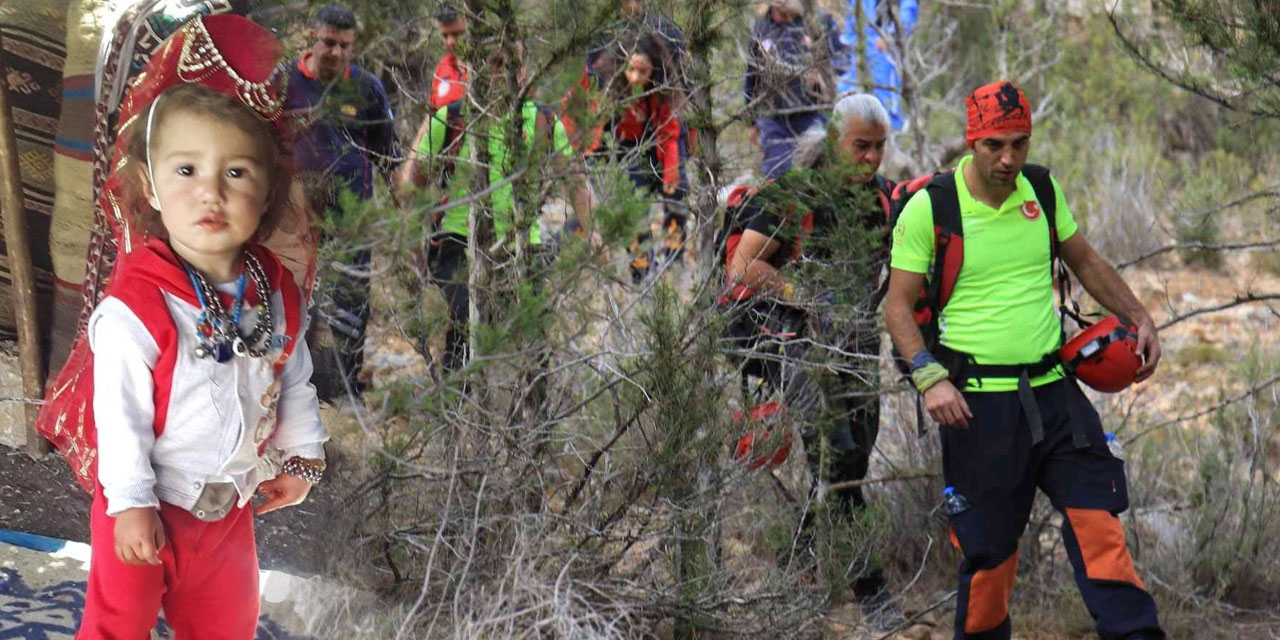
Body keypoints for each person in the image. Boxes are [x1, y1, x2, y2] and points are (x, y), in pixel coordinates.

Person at [68, 15, 328, 638]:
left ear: (269, 192)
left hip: (227, 508)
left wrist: (304, 456)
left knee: (226, 624)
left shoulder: (275, 291)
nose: (210, 192)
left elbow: (292, 377)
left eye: (236, 173)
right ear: (150, 186)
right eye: (186, 171)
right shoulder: (137, 304)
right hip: (146, 500)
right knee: (117, 627)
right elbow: (120, 413)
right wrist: (129, 502)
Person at [883, 81, 1165, 639]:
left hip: (1055, 394)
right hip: (976, 406)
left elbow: (1084, 259)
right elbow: (897, 304)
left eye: (1019, 143)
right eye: (994, 145)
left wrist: (1140, 316)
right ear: (972, 142)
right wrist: (928, 377)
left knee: (1099, 526)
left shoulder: (1041, 188)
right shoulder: (932, 208)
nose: (1009, 157)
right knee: (990, 554)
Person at [725, 94, 900, 627]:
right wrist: (803, 294)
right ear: (833, 141)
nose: (870, 158)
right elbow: (743, 267)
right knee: (836, 456)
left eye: (879, 148)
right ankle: (869, 588)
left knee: (854, 462)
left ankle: (797, 560)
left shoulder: (886, 200)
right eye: (860, 146)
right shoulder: (792, 196)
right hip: (795, 343)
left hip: (859, 345)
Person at [397, 41, 594, 371]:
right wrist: (409, 242)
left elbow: (574, 178)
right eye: (492, 63)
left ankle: (530, 410)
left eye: (508, 64)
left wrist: (591, 230)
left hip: (522, 242)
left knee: (533, 333)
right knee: (464, 319)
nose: (499, 72)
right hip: (455, 240)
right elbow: (413, 182)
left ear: (524, 71)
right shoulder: (452, 118)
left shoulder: (543, 120)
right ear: (473, 69)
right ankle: (459, 407)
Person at [285, 3, 400, 399]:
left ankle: (346, 388)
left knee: (351, 302)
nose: (336, 52)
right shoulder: (283, 83)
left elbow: (389, 158)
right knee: (294, 300)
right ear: (311, 40)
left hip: (353, 217)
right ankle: (293, 383)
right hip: (294, 219)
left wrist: (411, 219)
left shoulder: (367, 88)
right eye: (329, 43)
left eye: (345, 46)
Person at [745, 0, 851, 179]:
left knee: (818, 176)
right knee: (777, 181)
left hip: (814, 114)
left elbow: (844, 59)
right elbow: (751, 75)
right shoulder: (760, 26)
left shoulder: (819, 21)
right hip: (774, 119)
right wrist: (751, 122)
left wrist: (822, 71)